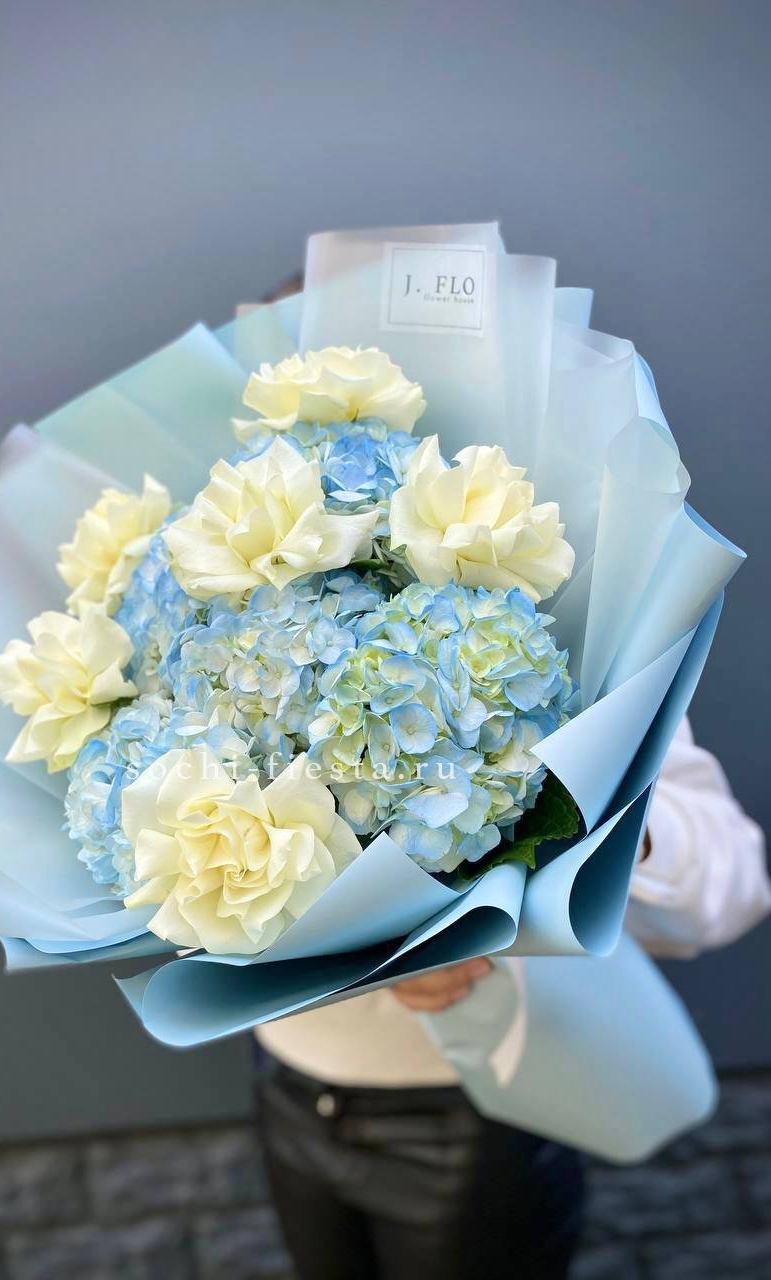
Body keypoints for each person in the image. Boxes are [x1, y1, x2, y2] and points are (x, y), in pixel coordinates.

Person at [248, 281, 771, 1280]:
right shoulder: (218, 618)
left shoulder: (542, 618)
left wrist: (594, 817)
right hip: (285, 1081)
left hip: (479, 1113)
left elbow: (731, 885)